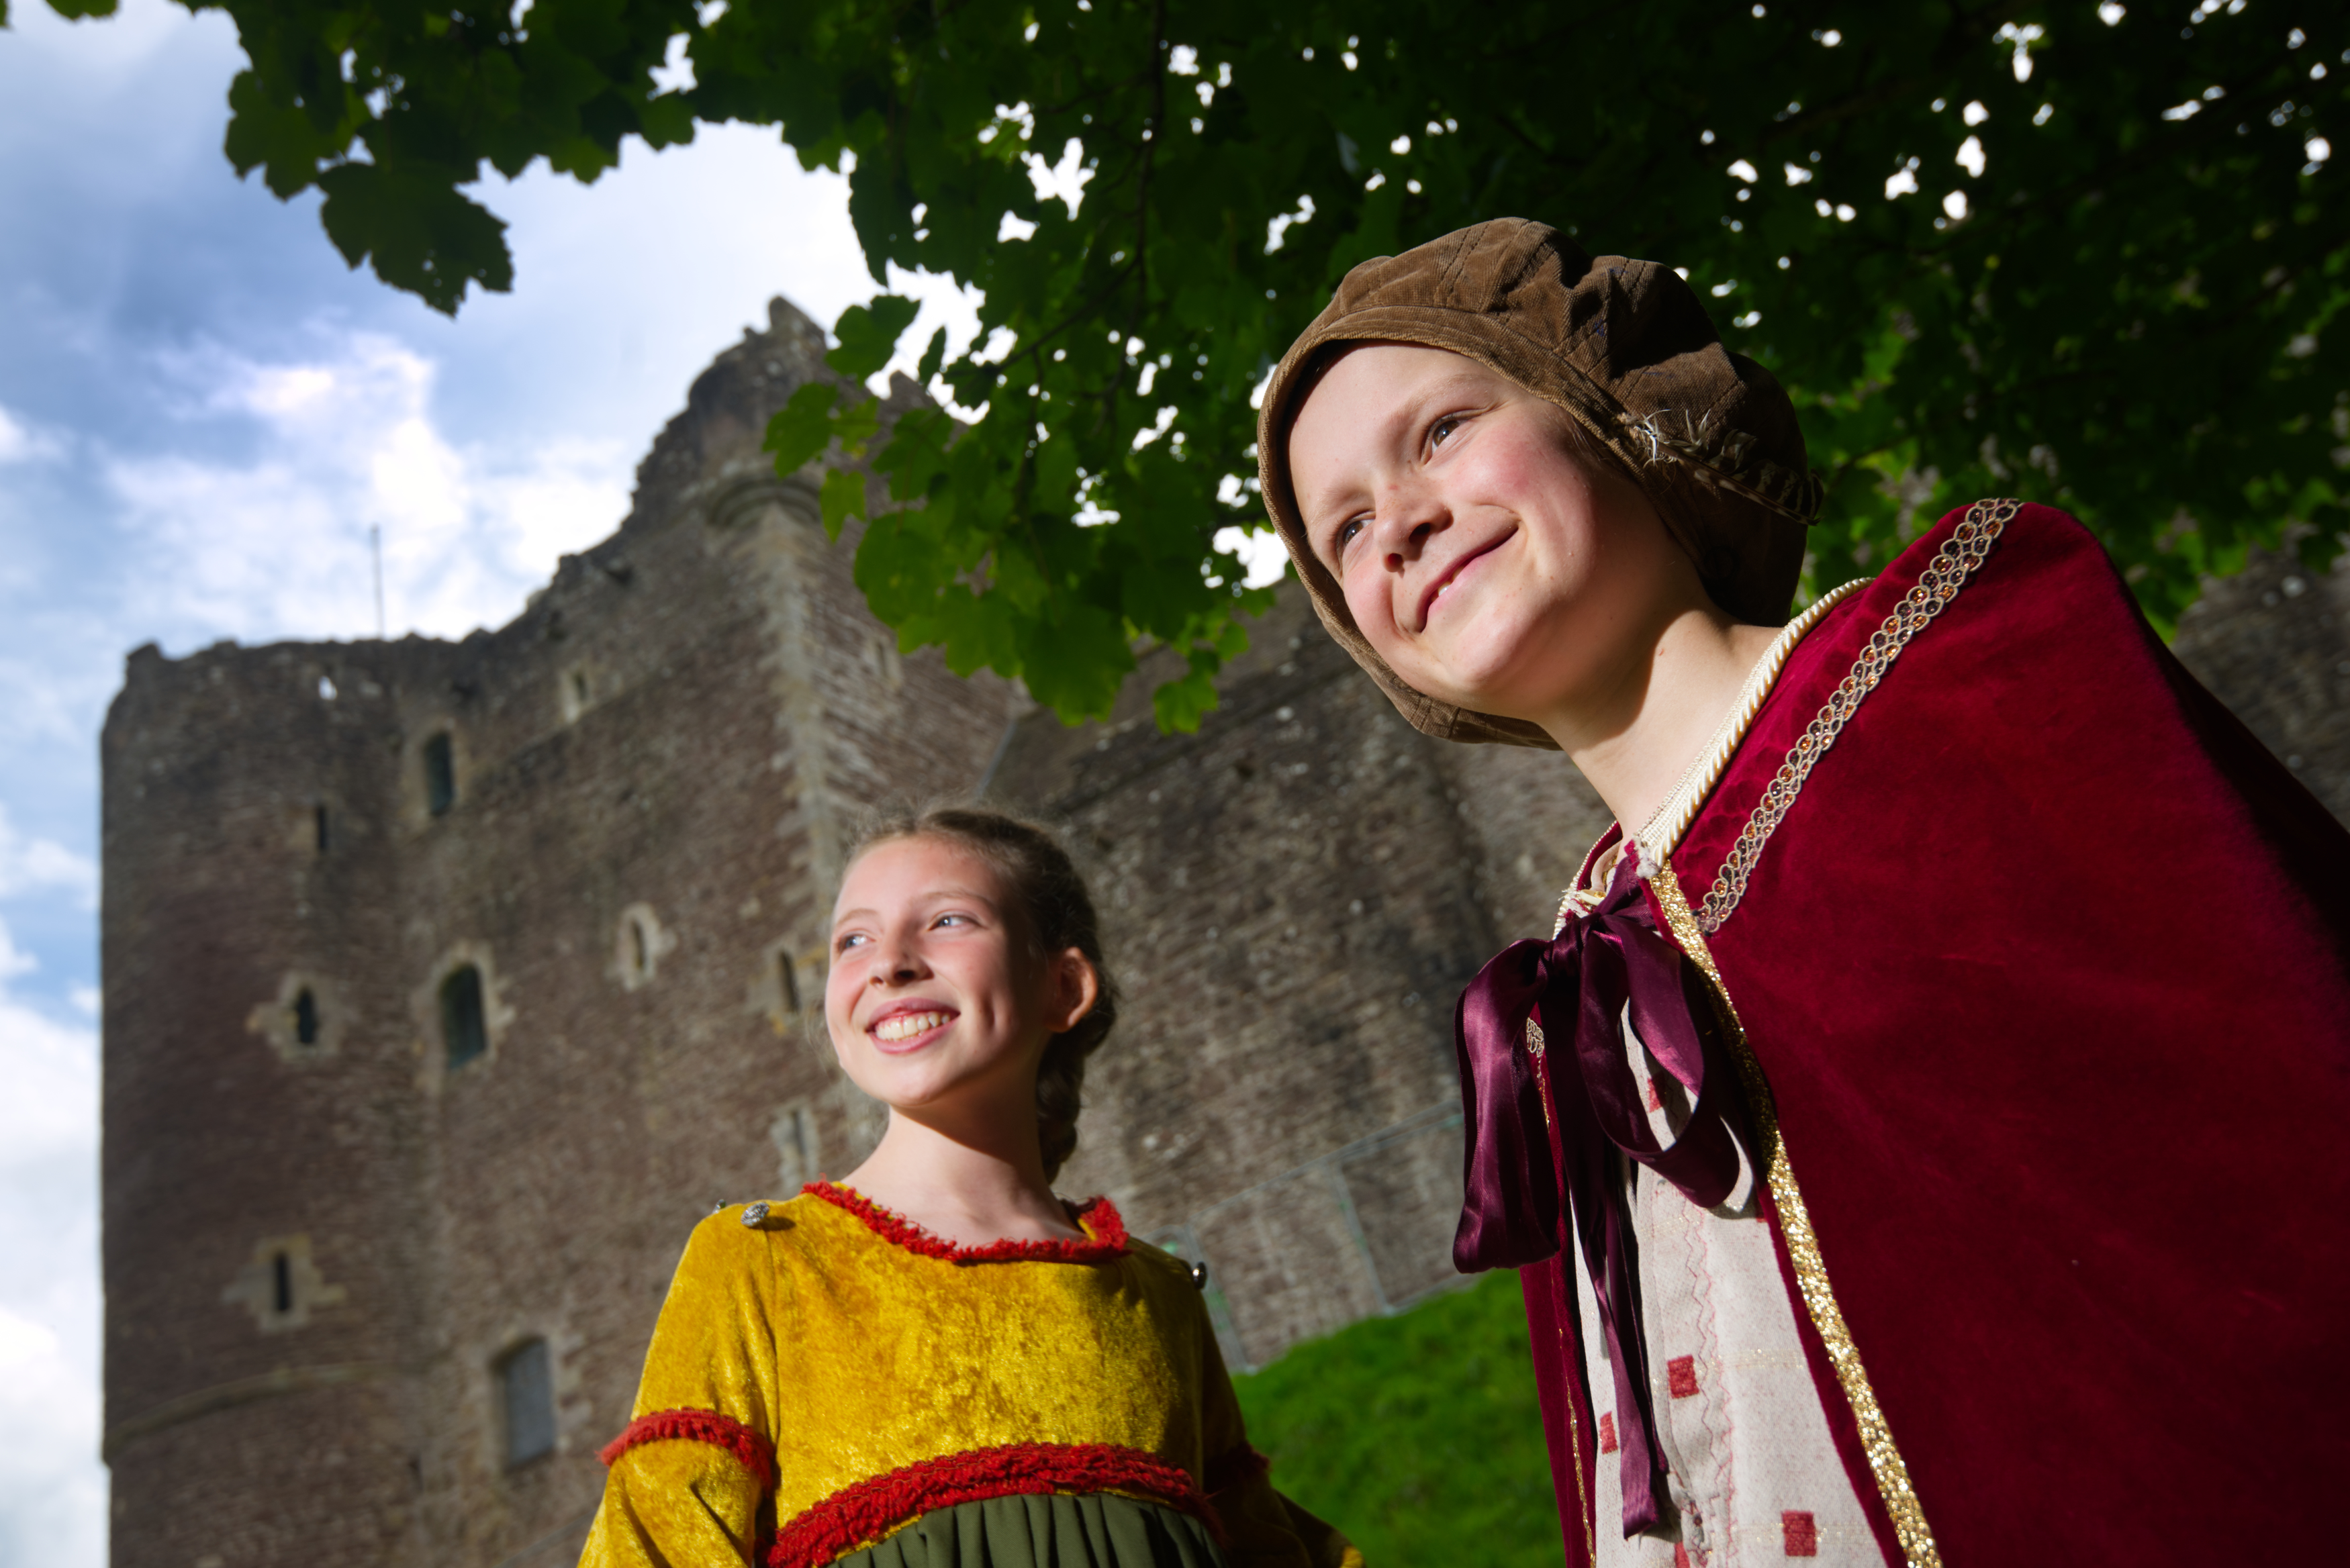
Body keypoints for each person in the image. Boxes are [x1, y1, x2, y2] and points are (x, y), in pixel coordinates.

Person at [1254, 217, 2350, 1565]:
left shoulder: (1969, 673)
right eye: (1345, 526)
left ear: (1612, 413)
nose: (1403, 523)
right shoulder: (1561, 997)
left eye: (1441, 431)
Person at [581, 807, 1360, 1568]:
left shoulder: (1157, 1294)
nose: (889, 961)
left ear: (1064, 986)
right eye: (852, 939)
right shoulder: (761, 1260)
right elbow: (655, 1538)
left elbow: (1265, 1543)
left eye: (947, 920)